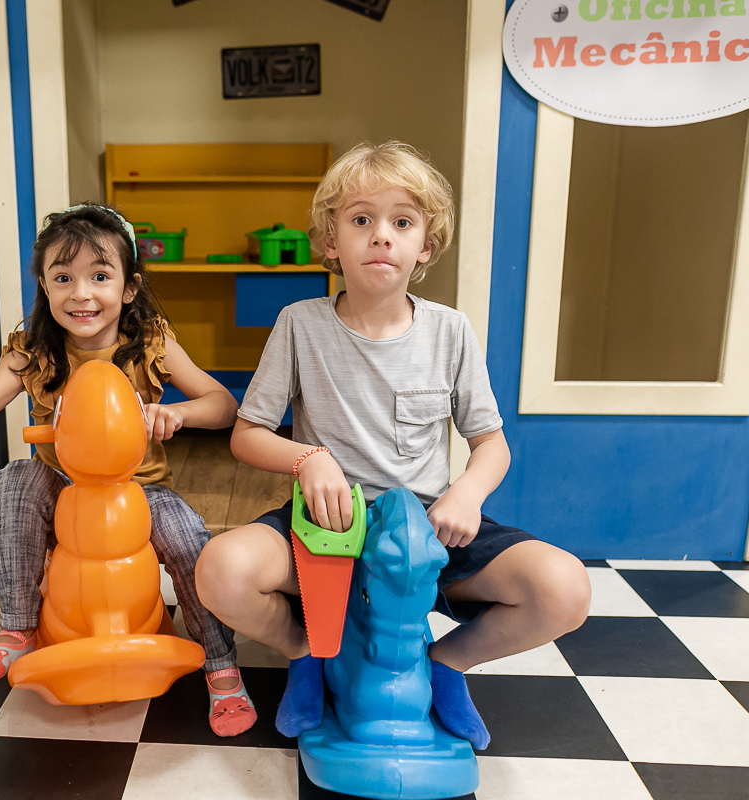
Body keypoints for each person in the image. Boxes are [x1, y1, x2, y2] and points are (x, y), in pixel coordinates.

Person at [194, 142, 590, 748]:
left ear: (424, 246)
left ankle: (447, 664)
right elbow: (247, 436)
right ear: (331, 241)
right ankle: (307, 650)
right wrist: (308, 457)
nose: (382, 236)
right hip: (326, 527)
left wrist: (465, 493)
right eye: (361, 220)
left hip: (430, 530)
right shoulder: (299, 323)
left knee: (564, 589)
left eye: (402, 222)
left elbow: (492, 443)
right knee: (220, 571)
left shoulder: (451, 330)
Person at [0, 204, 257, 737]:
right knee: (16, 479)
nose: (81, 293)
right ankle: (17, 630)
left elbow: (221, 404)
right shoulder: (32, 352)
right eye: (64, 278)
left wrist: (179, 411)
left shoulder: (152, 342)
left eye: (99, 277)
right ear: (45, 286)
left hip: (138, 488)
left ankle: (220, 666)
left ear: (129, 288)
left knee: (187, 537)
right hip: (65, 487)